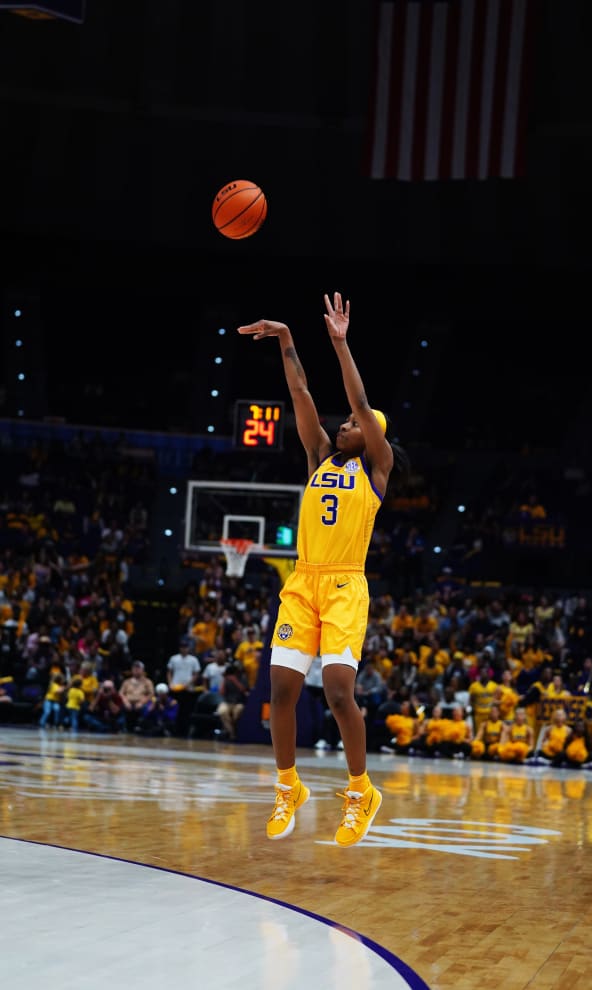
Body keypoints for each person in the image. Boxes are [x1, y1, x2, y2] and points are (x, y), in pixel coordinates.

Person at [237, 291, 409, 846]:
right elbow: (300, 392)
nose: (345, 428)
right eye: (346, 426)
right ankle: (289, 786)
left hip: (344, 584)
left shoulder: (376, 470)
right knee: (280, 689)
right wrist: (288, 338)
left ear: (371, 435)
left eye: (357, 427)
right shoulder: (317, 457)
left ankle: (362, 792)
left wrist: (341, 343)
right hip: (304, 581)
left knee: (338, 694)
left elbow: (357, 400)